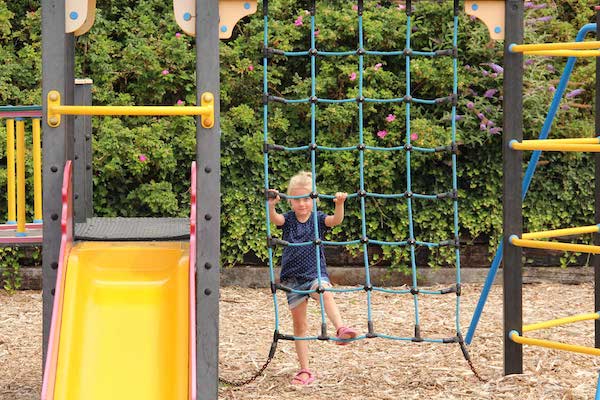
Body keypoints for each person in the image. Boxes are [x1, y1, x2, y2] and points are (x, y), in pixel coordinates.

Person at [268, 171, 357, 386]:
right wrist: (271, 205)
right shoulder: (288, 220)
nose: (302, 204)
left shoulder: (317, 219)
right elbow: (275, 219)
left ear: (313, 199)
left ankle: (340, 328)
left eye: (307, 198)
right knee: (300, 325)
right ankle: (304, 370)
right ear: (290, 201)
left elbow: (335, 220)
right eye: (297, 199)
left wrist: (339, 204)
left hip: (315, 273)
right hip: (292, 279)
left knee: (324, 291)